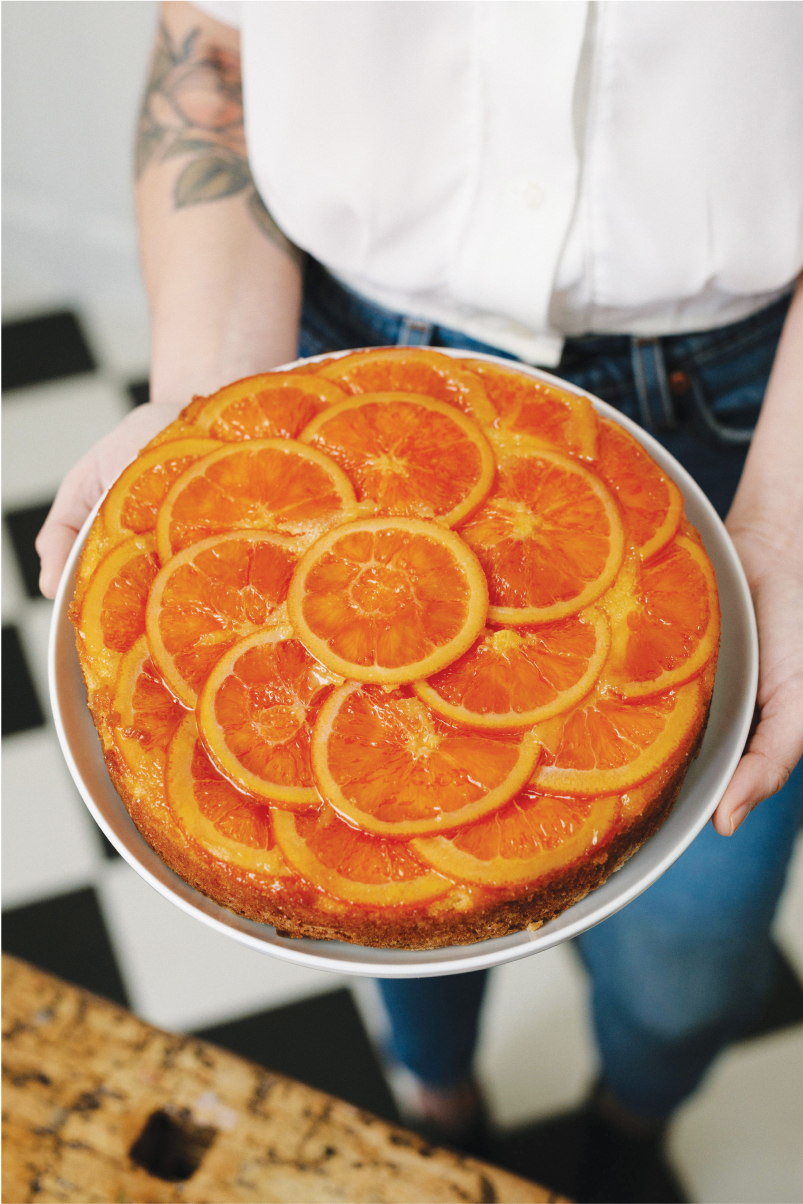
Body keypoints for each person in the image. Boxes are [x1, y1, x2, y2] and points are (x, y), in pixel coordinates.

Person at [37, 4, 803, 1200]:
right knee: (371, 840)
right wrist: (212, 418)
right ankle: (437, 1101)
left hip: (742, 415)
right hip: (332, 354)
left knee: (693, 952)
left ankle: (633, 1121)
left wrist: (791, 521)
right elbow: (214, 42)